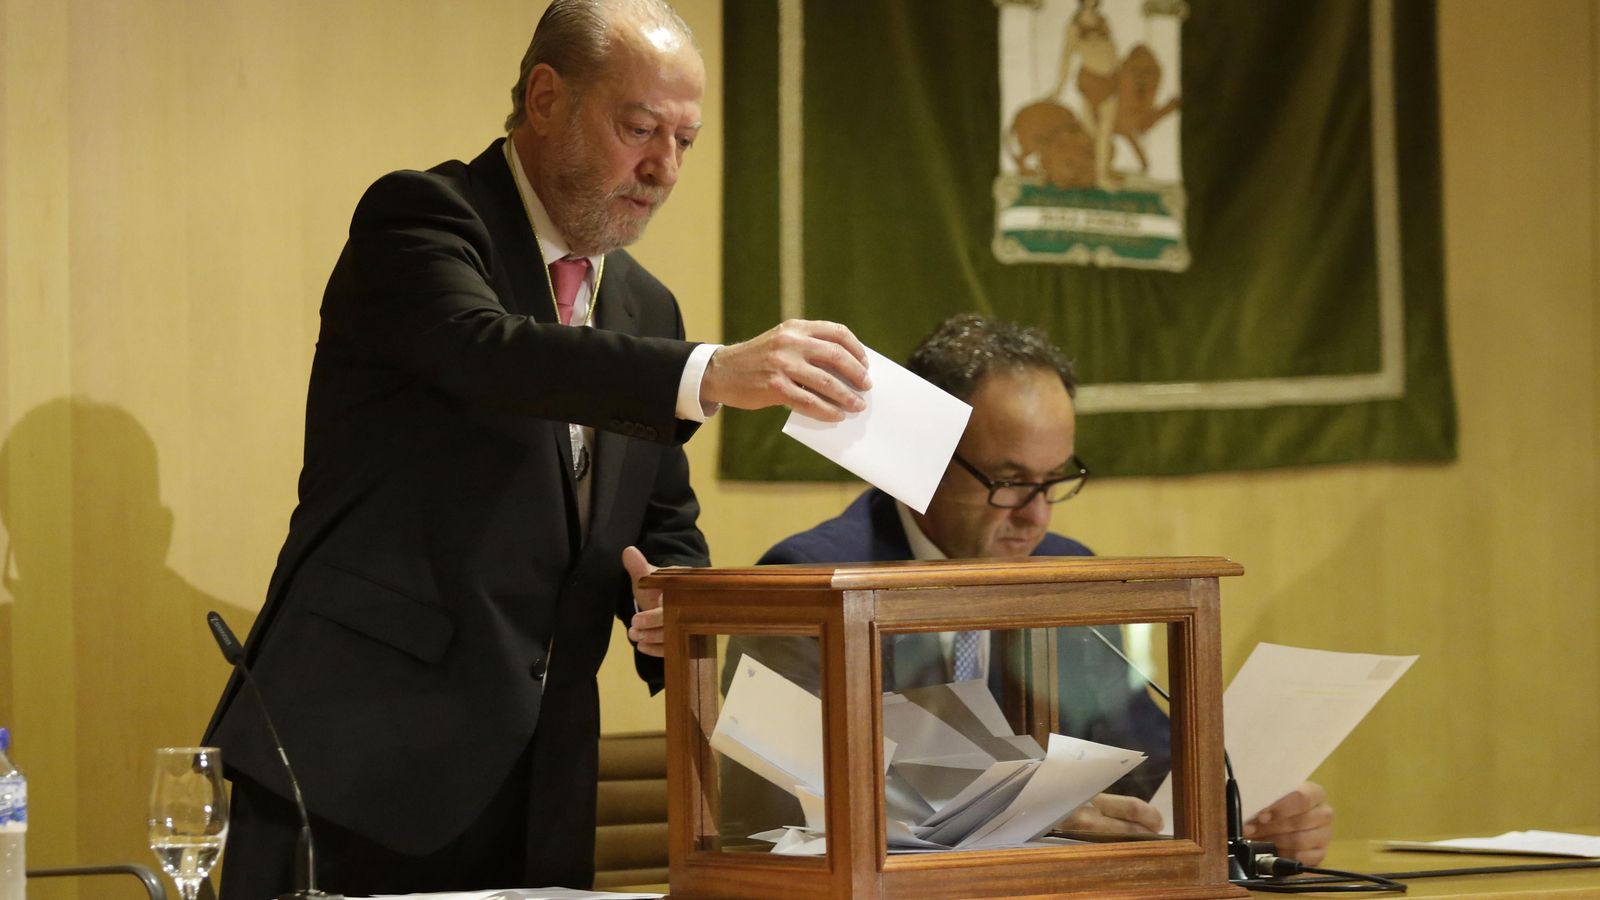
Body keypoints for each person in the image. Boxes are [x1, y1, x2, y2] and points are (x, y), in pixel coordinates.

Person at [203, 2, 871, 896]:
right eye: (640, 129)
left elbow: (661, 522)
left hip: (543, 785)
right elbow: (489, 354)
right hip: (357, 760)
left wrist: (672, 617)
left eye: (686, 140)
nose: (663, 168)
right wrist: (712, 374)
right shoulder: (423, 219)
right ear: (546, 98)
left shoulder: (647, 308)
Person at [632, 314, 1334, 862]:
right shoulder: (806, 583)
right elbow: (780, 811)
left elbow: (1146, 770)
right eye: (1010, 482)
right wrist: (1017, 821)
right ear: (924, 459)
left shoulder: (1072, 578)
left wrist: (1250, 819)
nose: (1038, 514)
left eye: (1055, 479)